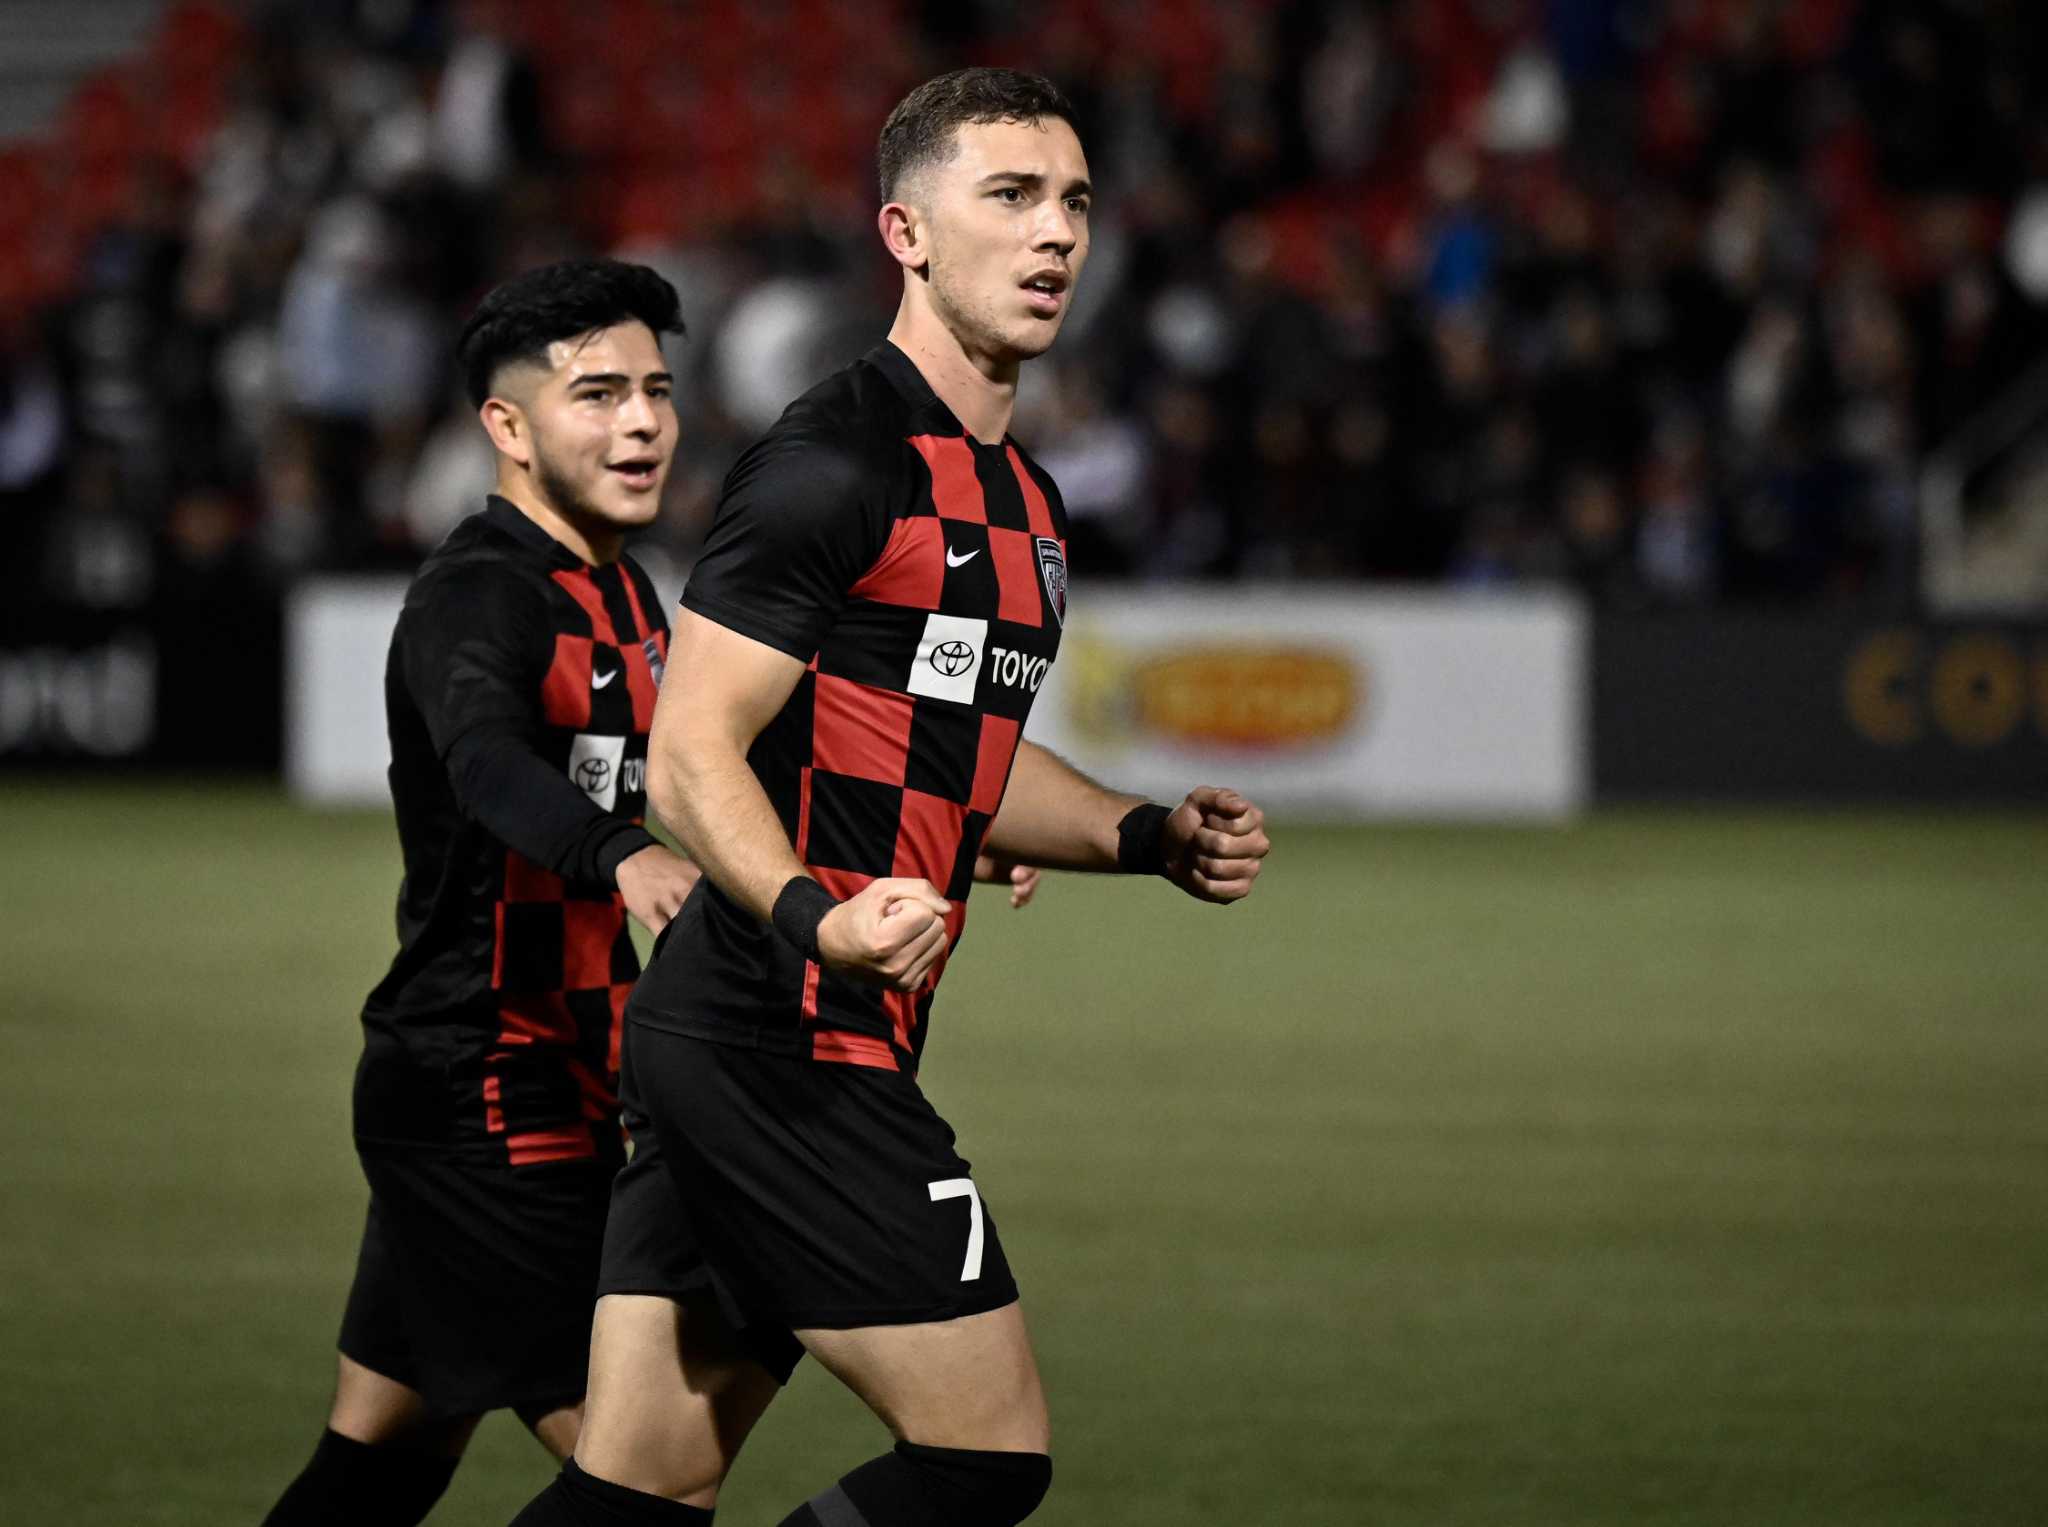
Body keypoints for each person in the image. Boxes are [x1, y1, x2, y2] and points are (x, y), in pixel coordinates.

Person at [507, 69, 1272, 1527]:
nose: (1057, 236)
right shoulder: (831, 461)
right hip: (781, 1028)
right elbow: (688, 752)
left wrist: (1143, 832)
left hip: (759, 1033)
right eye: (1013, 198)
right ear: (906, 233)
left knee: (640, 1486)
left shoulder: (1028, 506)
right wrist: (820, 914)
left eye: (1076, 204)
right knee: (987, 1451)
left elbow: (955, 760)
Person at [258, 257, 702, 1525]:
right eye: (598, 393)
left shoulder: (625, 589)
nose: (639, 423)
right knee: (645, 1477)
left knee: (381, 1456)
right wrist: (622, 853)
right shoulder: (475, 594)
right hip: (481, 1090)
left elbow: (704, 769)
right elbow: (489, 764)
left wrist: (957, 844)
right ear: (506, 427)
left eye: (656, 392)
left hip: (546, 1074)